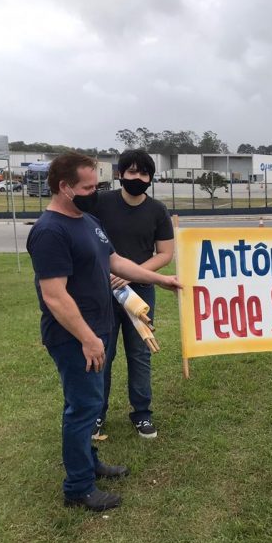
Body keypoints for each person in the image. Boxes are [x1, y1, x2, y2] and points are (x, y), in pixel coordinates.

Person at [26, 153, 181, 511]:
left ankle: (88, 461)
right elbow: (54, 295)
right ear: (64, 187)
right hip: (74, 336)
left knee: (90, 401)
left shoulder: (87, 220)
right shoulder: (50, 231)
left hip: (97, 328)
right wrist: (87, 337)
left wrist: (161, 279)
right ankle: (78, 487)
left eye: (96, 185)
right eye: (87, 187)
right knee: (82, 408)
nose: (95, 192)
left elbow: (114, 261)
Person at [74, 149, 174, 440]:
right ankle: (96, 415)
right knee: (102, 354)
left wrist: (131, 273)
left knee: (140, 353)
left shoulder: (157, 210)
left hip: (139, 295)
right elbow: (84, 241)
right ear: (120, 174)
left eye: (144, 174)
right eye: (131, 172)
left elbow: (165, 253)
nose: (137, 178)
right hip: (101, 291)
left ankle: (142, 413)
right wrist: (106, 273)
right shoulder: (100, 204)